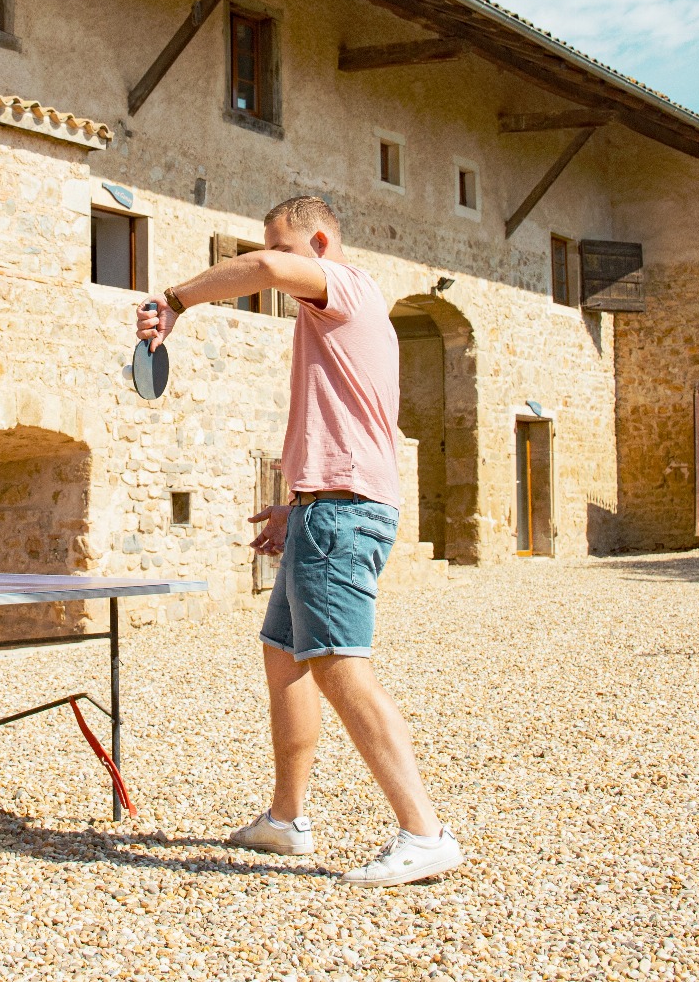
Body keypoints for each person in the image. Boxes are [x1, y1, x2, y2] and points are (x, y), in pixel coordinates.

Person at [136, 196, 462, 887]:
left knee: (342, 665)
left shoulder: (346, 286)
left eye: (285, 248)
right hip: (323, 507)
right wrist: (295, 503)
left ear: (317, 241)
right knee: (284, 655)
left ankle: (424, 831)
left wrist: (176, 301)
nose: (275, 261)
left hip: (342, 513)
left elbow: (258, 267)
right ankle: (286, 820)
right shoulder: (333, 316)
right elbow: (334, 418)